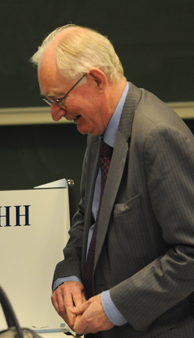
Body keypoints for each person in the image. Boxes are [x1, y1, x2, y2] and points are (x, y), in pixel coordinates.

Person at [30, 24, 194, 338]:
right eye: (48, 101)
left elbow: (190, 253)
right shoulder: (100, 129)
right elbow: (87, 220)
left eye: (60, 99)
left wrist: (113, 306)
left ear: (96, 79)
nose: (54, 114)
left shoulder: (158, 135)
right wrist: (67, 275)